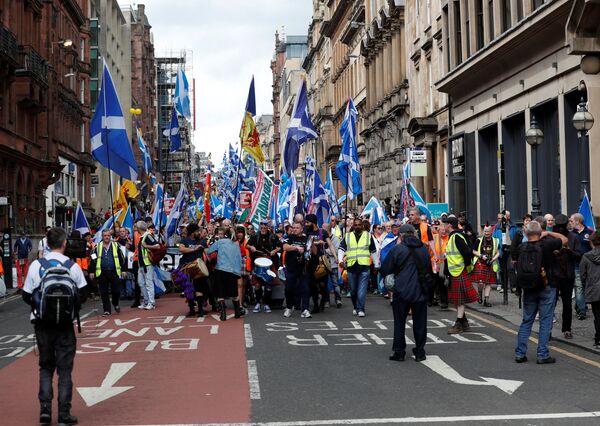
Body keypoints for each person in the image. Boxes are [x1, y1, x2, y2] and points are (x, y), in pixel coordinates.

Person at [22, 227, 87, 425]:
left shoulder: (36, 266)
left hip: (42, 325)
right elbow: (82, 295)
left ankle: (45, 411)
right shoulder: (72, 266)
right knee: (65, 370)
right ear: (65, 243)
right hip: (65, 326)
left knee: (46, 367)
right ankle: (64, 414)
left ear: (47, 244)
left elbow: (26, 295)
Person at [514, 221, 567, 364]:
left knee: (527, 320)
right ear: (540, 232)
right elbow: (564, 240)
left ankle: (520, 353)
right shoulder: (547, 245)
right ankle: (542, 354)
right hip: (547, 285)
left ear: (526, 233)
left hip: (528, 287)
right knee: (545, 321)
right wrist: (548, 233)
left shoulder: (521, 247)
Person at [381, 224, 432, 362]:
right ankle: (420, 352)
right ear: (414, 235)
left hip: (401, 291)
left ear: (401, 236)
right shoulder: (424, 249)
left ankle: (399, 352)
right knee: (420, 323)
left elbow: (385, 269)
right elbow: (429, 269)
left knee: (399, 323)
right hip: (420, 291)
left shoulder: (398, 249)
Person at [338, 217, 379, 317]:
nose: (357, 226)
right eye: (355, 225)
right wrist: (340, 260)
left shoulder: (368, 236)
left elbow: (373, 251)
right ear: (353, 226)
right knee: (353, 291)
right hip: (351, 267)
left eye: (359, 225)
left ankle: (361, 309)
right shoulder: (348, 236)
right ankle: (356, 307)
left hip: (364, 267)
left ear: (362, 226)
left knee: (361, 291)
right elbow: (341, 249)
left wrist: (376, 264)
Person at [444, 215, 478, 334]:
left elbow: (467, 253)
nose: (443, 226)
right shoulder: (454, 236)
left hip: (459, 271)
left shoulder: (457, 237)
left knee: (459, 301)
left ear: (449, 225)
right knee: (457, 300)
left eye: (445, 224)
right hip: (456, 271)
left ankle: (459, 324)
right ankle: (464, 323)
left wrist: (466, 267)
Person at [550, 214, 581, 339]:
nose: (561, 229)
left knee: (567, 304)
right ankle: (547, 330)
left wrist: (568, 251)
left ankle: (567, 329)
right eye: (559, 227)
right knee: (550, 303)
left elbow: (579, 255)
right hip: (554, 275)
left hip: (567, 275)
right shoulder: (552, 237)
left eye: (563, 227)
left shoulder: (573, 237)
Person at [206, 227, 244, 321]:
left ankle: (223, 314)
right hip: (232, 271)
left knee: (220, 293)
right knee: (234, 293)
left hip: (220, 269)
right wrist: (238, 273)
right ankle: (237, 312)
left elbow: (209, 251)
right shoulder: (236, 245)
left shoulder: (220, 242)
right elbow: (239, 259)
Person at [305, 214, 337, 313]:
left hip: (321, 262)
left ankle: (323, 300)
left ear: (313, 223)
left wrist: (336, 257)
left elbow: (330, 245)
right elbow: (305, 244)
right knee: (313, 285)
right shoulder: (306, 233)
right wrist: (316, 243)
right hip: (310, 262)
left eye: (308, 222)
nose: (306, 224)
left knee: (323, 285)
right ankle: (315, 305)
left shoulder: (322, 232)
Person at [248, 220, 281, 313]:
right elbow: (247, 245)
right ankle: (258, 303)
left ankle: (266, 304)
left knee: (268, 285)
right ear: (259, 226)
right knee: (257, 285)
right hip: (258, 261)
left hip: (269, 261)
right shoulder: (255, 235)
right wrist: (251, 247)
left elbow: (280, 246)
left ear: (268, 226)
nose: (263, 226)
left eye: (265, 225)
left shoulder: (273, 236)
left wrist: (274, 251)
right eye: (261, 224)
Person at [91, 229, 124, 316]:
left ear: (110, 236)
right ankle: (107, 310)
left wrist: (123, 270)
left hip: (114, 272)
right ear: (102, 237)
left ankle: (115, 303)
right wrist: (91, 271)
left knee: (116, 291)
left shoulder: (116, 245)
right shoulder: (97, 247)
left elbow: (121, 258)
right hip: (102, 272)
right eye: (105, 235)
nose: (106, 237)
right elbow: (93, 259)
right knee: (104, 292)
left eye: (108, 235)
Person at [178, 223, 208, 317]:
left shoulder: (202, 241)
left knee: (199, 288)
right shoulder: (185, 240)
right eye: (197, 231)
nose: (199, 232)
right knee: (188, 289)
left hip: (198, 268)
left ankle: (200, 309)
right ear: (192, 232)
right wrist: (194, 249)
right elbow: (181, 249)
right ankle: (191, 309)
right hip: (186, 267)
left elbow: (207, 252)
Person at [282, 221, 311, 318]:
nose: (295, 229)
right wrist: (296, 248)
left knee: (305, 289)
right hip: (291, 267)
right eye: (293, 227)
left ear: (302, 229)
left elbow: (311, 250)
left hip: (303, 267)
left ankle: (305, 309)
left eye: (297, 228)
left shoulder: (306, 238)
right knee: (289, 288)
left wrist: (312, 244)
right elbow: (285, 247)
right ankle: (289, 307)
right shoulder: (289, 237)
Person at [570, 212, 594, 320]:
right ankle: (581, 311)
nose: (570, 223)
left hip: (589, 264)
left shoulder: (589, 232)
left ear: (577, 221)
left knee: (586, 286)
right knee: (579, 287)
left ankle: (579, 305)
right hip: (576, 263)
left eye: (571, 221)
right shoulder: (571, 234)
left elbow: (594, 247)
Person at [580, 231, 600, 348]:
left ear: (591, 242)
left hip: (593, 289)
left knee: (597, 315)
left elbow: (583, 275)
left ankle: (598, 339)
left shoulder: (586, 257)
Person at [472, 225, 500, 307]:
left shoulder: (495, 241)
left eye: (488, 231)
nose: (486, 233)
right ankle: (480, 294)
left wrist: (493, 259)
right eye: (485, 231)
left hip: (490, 263)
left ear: (491, 232)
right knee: (480, 282)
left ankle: (486, 300)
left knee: (488, 283)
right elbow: (473, 251)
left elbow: (498, 252)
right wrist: (481, 256)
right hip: (480, 262)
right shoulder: (479, 240)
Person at [493, 210, 518, 293]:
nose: (503, 218)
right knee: (502, 269)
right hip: (501, 250)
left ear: (508, 217)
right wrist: (496, 249)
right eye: (503, 216)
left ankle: (513, 286)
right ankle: (503, 287)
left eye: (505, 216)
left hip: (510, 250)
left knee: (511, 268)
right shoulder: (497, 227)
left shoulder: (513, 226)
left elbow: (516, 238)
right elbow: (494, 238)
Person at [137, 221, 160, 310]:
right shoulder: (143, 237)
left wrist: (146, 246)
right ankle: (146, 301)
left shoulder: (148, 236)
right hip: (142, 265)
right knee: (141, 283)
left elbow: (157, 246)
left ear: (139, 228)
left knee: (148, 283)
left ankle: (151, 302)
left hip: (147, 264)